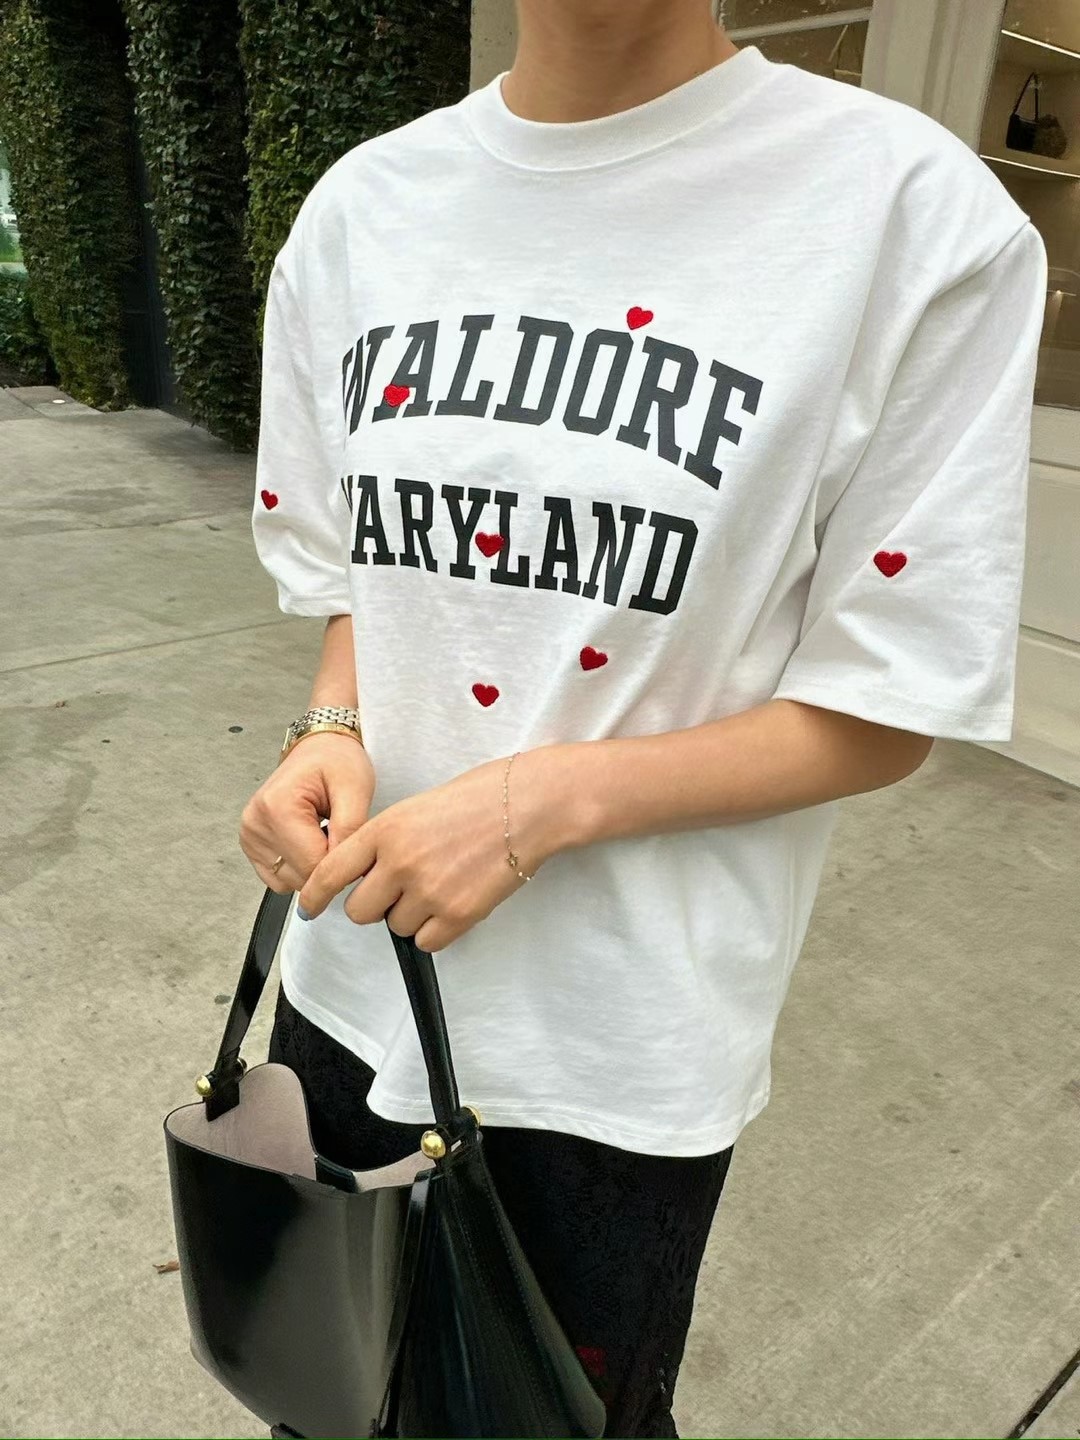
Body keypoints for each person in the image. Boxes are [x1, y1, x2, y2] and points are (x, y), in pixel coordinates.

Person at [242, 1, 1047, 1434]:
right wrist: (328, 730)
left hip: (613, 1048)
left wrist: (537, 803)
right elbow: (359, 581)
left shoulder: (908, 217)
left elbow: (888, 704)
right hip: (349, 978)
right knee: (327, 1393)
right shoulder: (366, 208)